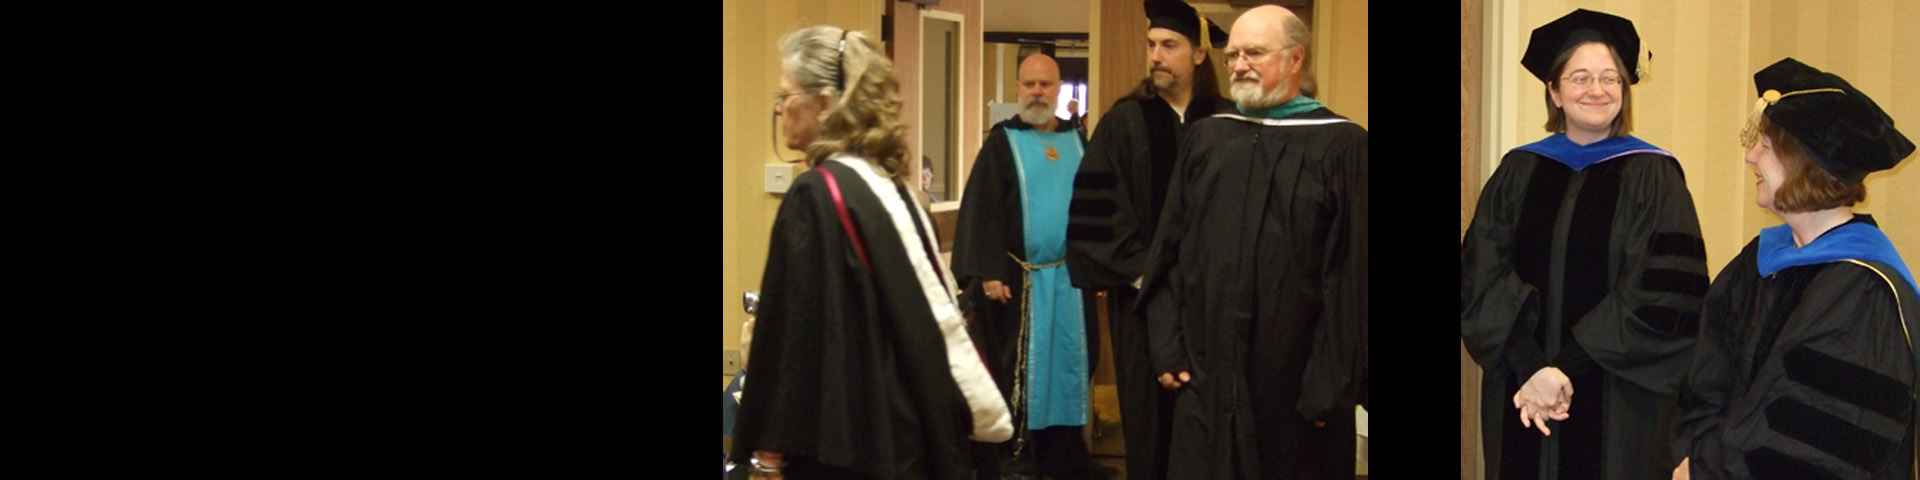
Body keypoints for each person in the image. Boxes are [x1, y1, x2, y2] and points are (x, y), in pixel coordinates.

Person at [729, 25, 1013, 480]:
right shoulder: (892, 190)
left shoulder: (817, 194)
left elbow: (793, 336)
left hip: (842, 445)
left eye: (785, 95)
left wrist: (768, 457)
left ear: (825, 103)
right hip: (905, 436)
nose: (779, 108)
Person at [1459, 9, 1708, 480]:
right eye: (1580, 77)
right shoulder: (1517, 171)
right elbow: (1480, 276)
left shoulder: (1656, 176)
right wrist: (1532, 367)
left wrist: (1563, 369)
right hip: (1523, 387)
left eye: (1610, 78)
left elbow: (1663, 298)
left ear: (1624, 90)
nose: (1597, 90)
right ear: (1554, 91)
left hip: (1618, 393)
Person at [1136, 5, 1366, 478]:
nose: (1239, 65)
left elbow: (1353, 276)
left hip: (1296, 389)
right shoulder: (1207, 139)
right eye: (1233, 55)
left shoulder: (1343, 146)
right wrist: (1167, 346)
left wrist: (1331, 382)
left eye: (1254, 53)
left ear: (1296, 58)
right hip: (1205, 380)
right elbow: (1169, 251)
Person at [1670, 57, 1917, 480]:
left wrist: (1706, 470)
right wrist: (1693, 459)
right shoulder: (1760, 259)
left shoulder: (1864, 291)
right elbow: (1706, 378)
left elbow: (1816, 440)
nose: (1750, 157)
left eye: (1765, 146)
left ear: (1805, 162)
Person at [1063, 1, 1229, 478]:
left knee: (1213, 426)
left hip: (1214, 302)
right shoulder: (1124, 122)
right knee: (1148, 428)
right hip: (1141, 300)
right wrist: (1147, 274)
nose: (1156, 55)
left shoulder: (1229, 125)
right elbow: (1100, 215)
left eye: (1169, 45)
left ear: (1199, 54)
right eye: (1151, 45)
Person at [953, 52, 1109, 480]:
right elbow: (981, 209)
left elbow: (1095, 209)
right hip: (1019, 282)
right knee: (1022, 372)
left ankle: (1068, 457)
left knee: (1070, 368)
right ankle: (1018, 458)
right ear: (1018, 88)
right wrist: (988, 272)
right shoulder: (1002, 142)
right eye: (1029, 84)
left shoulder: (1078, 141)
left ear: (1059, 89)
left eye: (1046, 84)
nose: (1037, 92)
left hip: (1070, 280)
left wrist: (1098, 266)